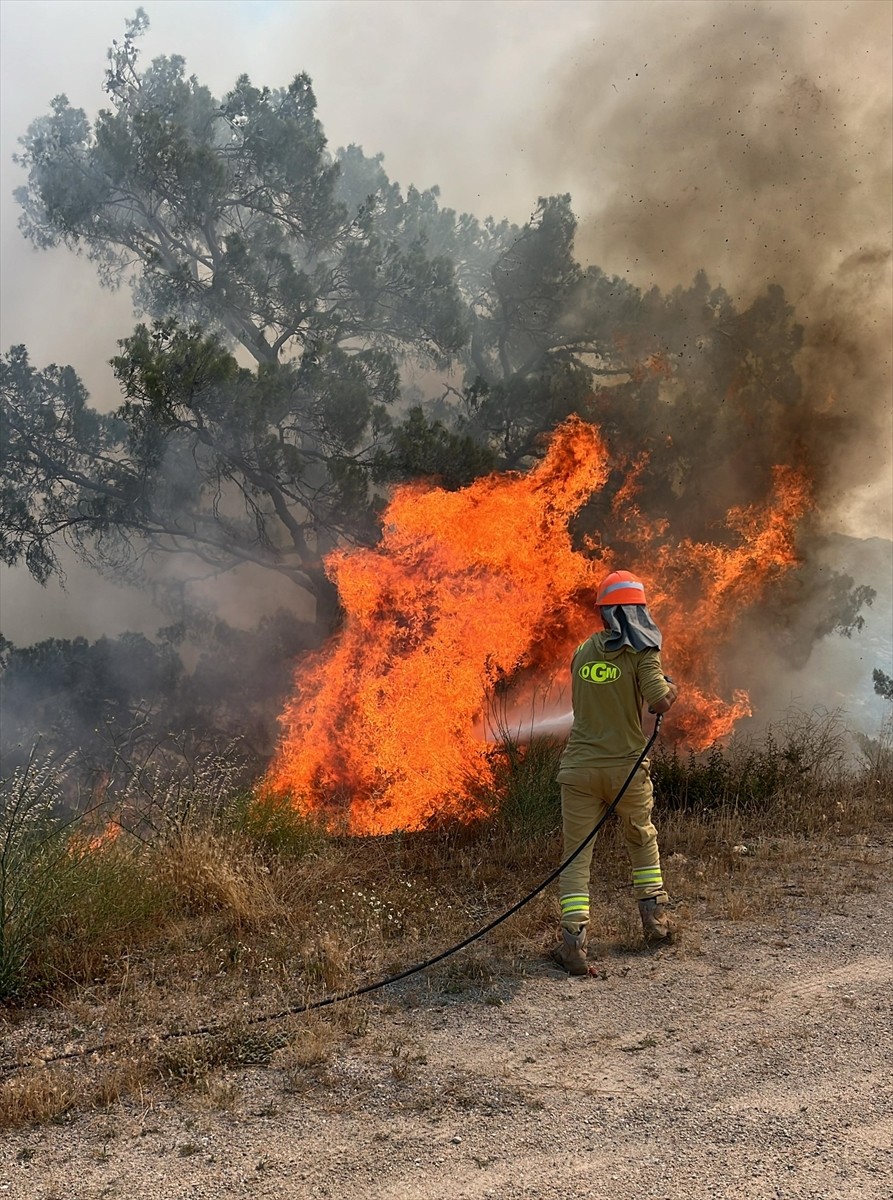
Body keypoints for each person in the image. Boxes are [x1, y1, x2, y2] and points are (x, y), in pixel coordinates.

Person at [552, 570, 679, 975]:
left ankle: (573, 943)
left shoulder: (583, 651)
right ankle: (655, 926)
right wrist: (668, 687)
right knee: (641, 839)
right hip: (625, 769)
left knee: (576, 856)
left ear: (604, 613)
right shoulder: (642, 653)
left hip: (578, 769)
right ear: (636, 611)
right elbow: (658, 701)